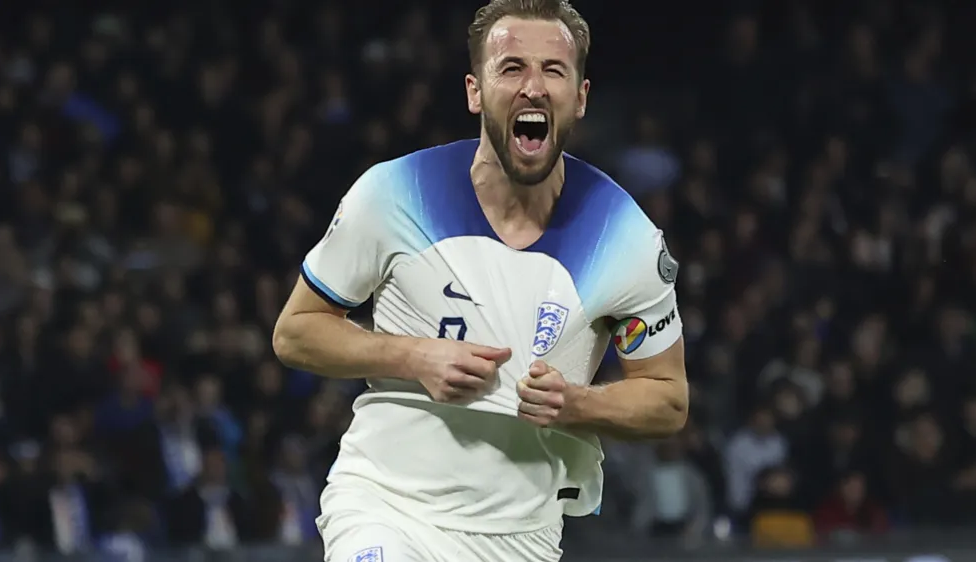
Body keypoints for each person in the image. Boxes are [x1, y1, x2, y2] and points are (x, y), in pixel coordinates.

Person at [272, 0, 688, 560]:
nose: (533, 87)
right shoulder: (392, 194)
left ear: (581, 98)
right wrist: (415, 357)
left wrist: (578, 405)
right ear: (475, 91)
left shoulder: (627, 238)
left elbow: (667, 400)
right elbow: (295, 331)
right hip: (387, 506)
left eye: (553, 70)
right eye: (512, 67)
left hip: (522, 536)